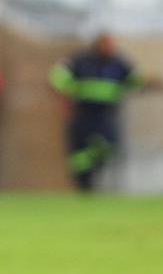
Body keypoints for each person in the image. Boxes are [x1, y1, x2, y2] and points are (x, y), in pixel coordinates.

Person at [52, 32, 144, 192]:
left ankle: (91, 171)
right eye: (107, 44)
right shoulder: (81, 61)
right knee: (78, 156)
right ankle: (84, 185)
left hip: (105, 115)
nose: (110, 48)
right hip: (83, 114)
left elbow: (136, 79)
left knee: (109, 147)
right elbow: (57, 76)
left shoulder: (119, 63)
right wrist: (69, 92)